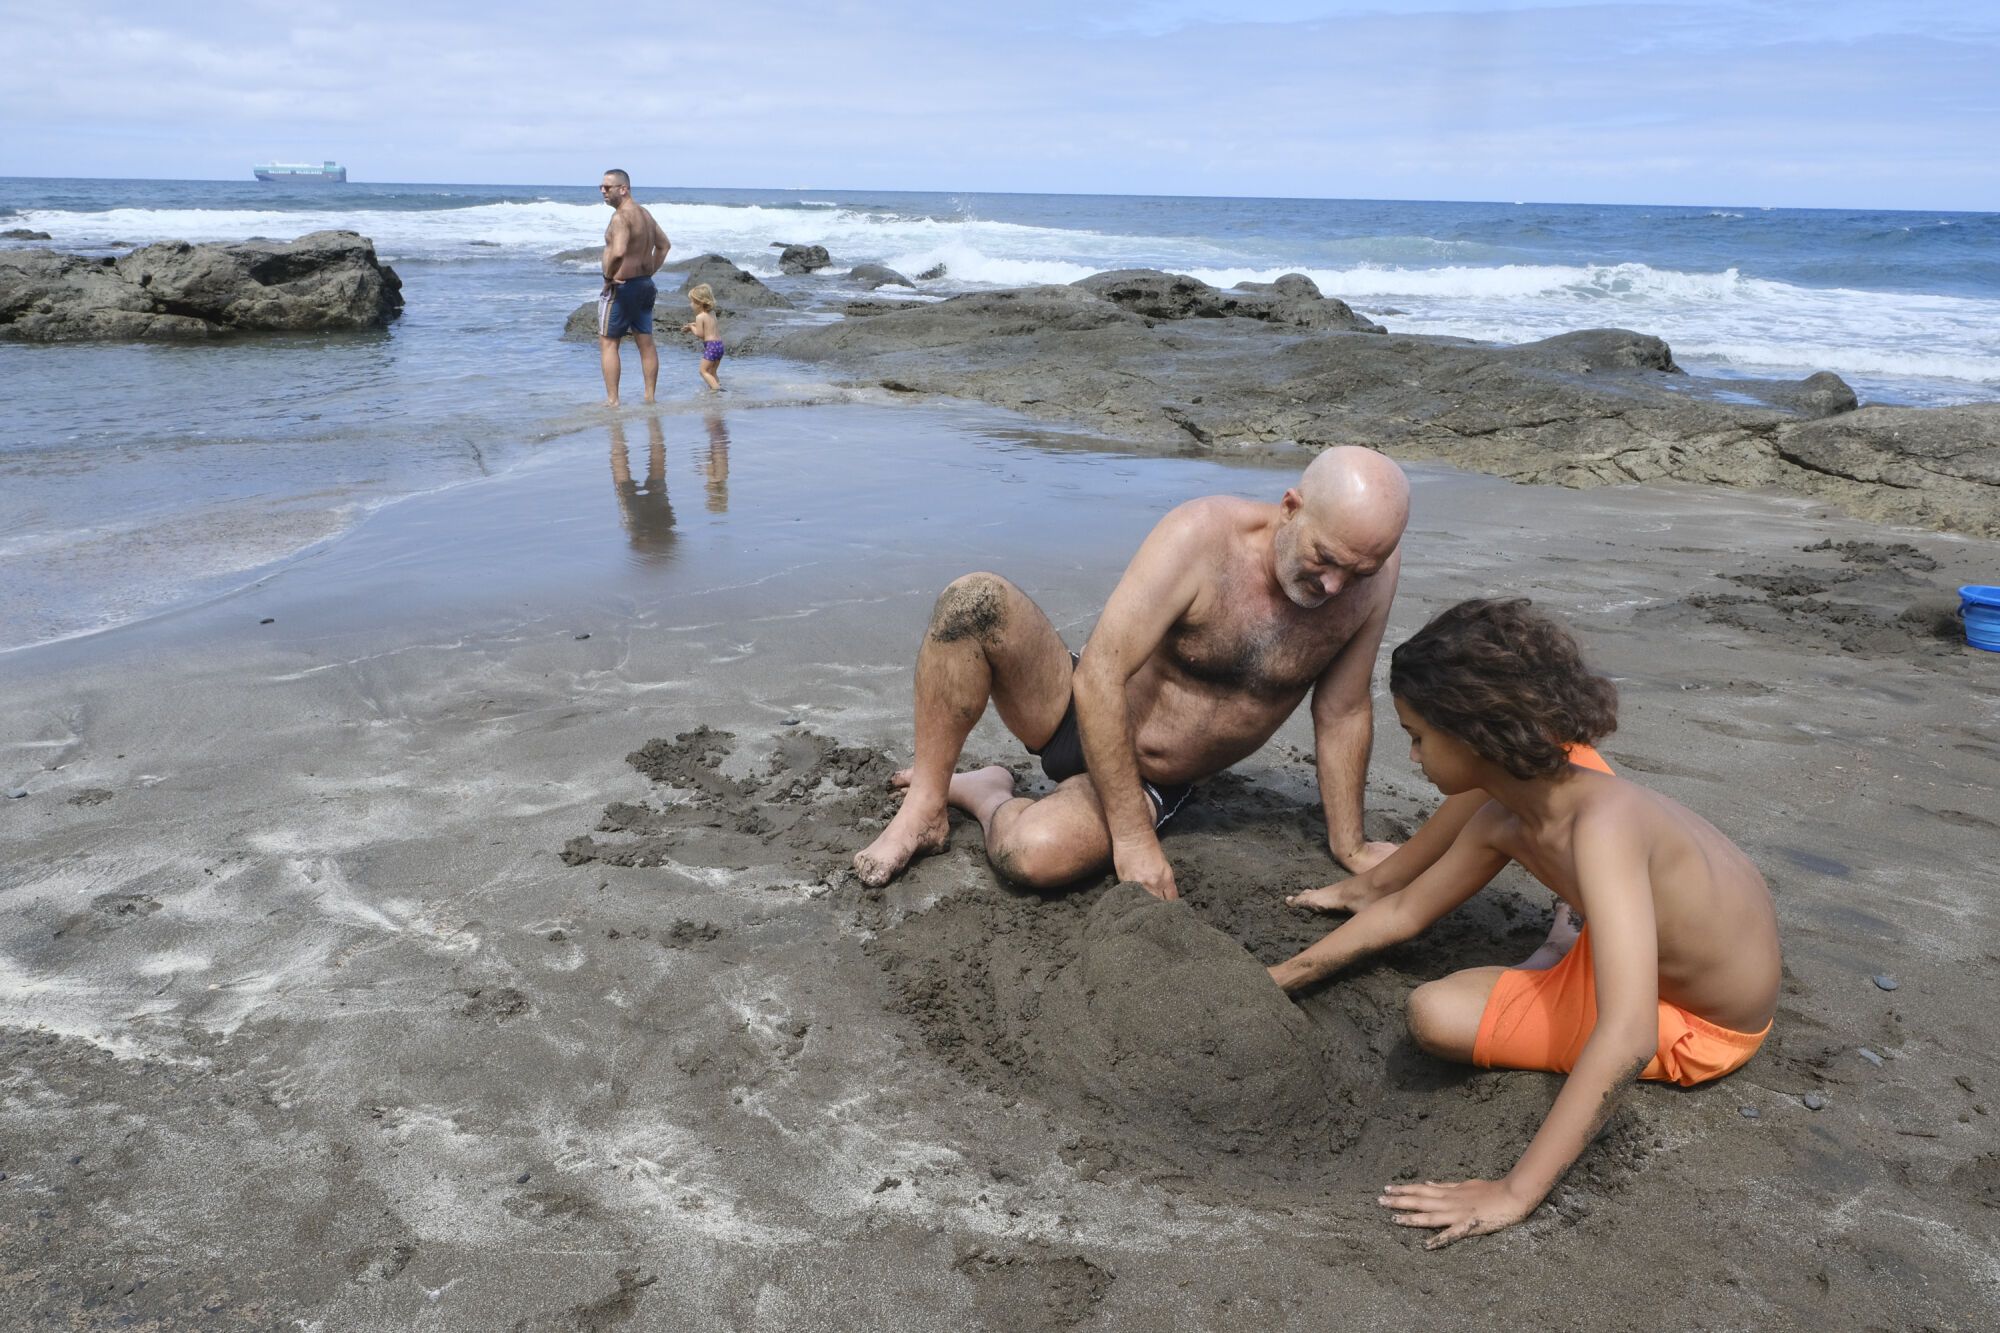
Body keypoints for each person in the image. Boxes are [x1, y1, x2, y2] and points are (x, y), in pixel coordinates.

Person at [1267, 598, 1781, 1250]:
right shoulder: (1510, 812)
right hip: (1651, 943)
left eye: (1419, 736)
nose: (1415, 756)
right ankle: (1564, 944)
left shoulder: (1600, 826)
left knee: (1434, 1013)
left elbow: (1629, 1035)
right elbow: (1403, 911)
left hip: (1700, 1021)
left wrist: (1513, 1192)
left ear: (1474, 735)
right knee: (1539, 945)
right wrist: (1278, 977)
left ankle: (1559, 949)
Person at [853, 446, 1411, 899]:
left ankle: (986, 794)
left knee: (1031, 854)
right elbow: (1099, 676)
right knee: (972, 602)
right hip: (1081, 704)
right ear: (1291, 507)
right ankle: (926, 806)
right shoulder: (1201, 538)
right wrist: (1133, 839)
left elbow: (1343, 710)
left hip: (1153, 773)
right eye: (1325, 558)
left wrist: (1351, 843)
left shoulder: (1371, 583)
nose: (1335, 585)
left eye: (1359, 571)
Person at [596, 169, 670, 406]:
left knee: (609, 343)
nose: (603, 191)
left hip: (622, 287)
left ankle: (613, 401)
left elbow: (618, 251)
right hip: (644, 286)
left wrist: (608, 276)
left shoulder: (621, 217)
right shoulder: (645, 215)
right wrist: (649, 272)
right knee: (645, 342)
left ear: (623, 189)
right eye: (601, 187)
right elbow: (664, 246)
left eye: (607, 187)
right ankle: (649, 398)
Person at [681, 285, 724, 392]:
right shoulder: (712, 313)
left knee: (703, 371)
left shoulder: (699, 317)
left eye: (692, 302)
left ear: (699, 303)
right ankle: (716, 391)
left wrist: (691, 327)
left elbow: (700, 334)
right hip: (719, 345)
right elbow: (708, 325)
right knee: (712, 372)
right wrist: (694, 324)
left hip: (711, 347)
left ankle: (717, 390)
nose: (690, 304)